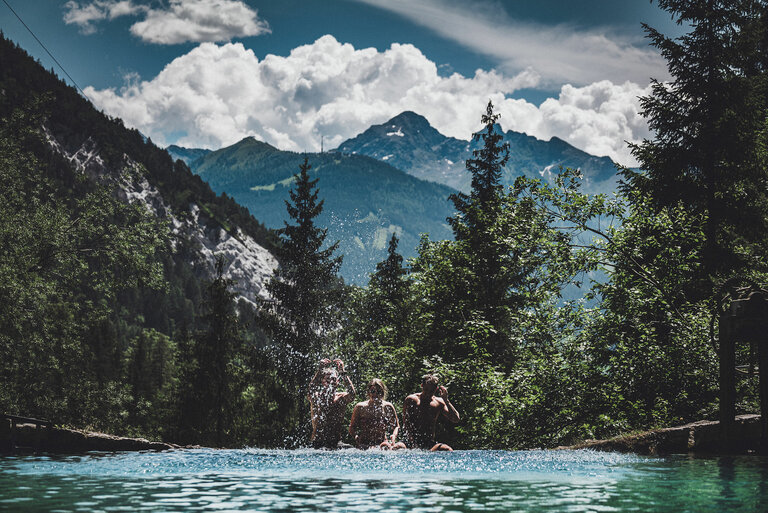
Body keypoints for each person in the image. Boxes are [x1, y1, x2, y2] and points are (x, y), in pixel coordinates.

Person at [402, 374, 460, 451]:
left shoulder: (439, 402)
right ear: (422, 385)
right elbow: (406, 422)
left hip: (428, 442)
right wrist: (412, 442)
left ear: (436, 389)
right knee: (398, 447)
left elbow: (456, 419)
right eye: (426, 390)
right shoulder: (411, 399)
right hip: (409, 441)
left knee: (447, 449)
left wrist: (446, 400)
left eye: (431, 391)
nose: (428, 393)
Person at [307, 358, 356, 449]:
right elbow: (310, 391)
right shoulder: (317, 398)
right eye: (327, 380)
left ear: (337, 382)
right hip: (318, 442)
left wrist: (342, 372)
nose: (331, 382)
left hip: (336, 442)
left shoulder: (340, 398)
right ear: (322, 381)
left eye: (333, 379)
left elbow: (352, 394)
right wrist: (319, 371)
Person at [349, 379, 407, 450]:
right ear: (368, 392)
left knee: (401, 446)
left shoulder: (387, 406)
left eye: (379, 392)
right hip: (365, 443)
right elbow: (352, 427)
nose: (375, 394)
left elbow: (396, 426)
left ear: (382, 393)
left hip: (382, 442)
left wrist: (394, 435)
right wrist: (356, 437)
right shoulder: (360, 407)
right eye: (373, 391)